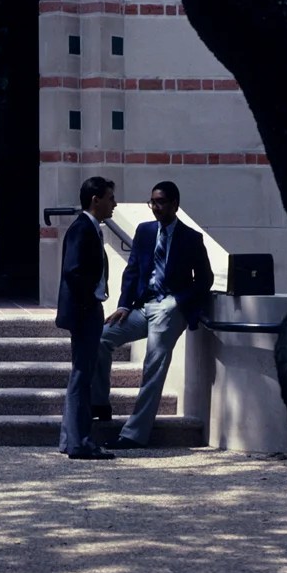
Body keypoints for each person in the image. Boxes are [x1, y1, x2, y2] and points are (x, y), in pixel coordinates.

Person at [94, 180, 213, 449]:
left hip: (170, 308)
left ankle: (133, 434)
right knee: (101, 338)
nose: (155, 208)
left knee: (153, 364)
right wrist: (124, 304)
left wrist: (177, 301)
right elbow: (132, 271)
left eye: (160, 202)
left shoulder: (192, 238)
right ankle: (99, 403)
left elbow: (204, 280)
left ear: (174, 205)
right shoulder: (145, 231)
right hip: (142, 305)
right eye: (152, 202)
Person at [56, 176, 118, 460]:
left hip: (87, 310)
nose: (114, 204)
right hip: (85, 312)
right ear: (96, 199)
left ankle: (72, 439)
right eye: (110, 198)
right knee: (83, 376)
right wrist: (91, 300)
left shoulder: (90, 228)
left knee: (81, 375)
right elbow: (73, 271)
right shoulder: (83, 229)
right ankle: (79, 442)